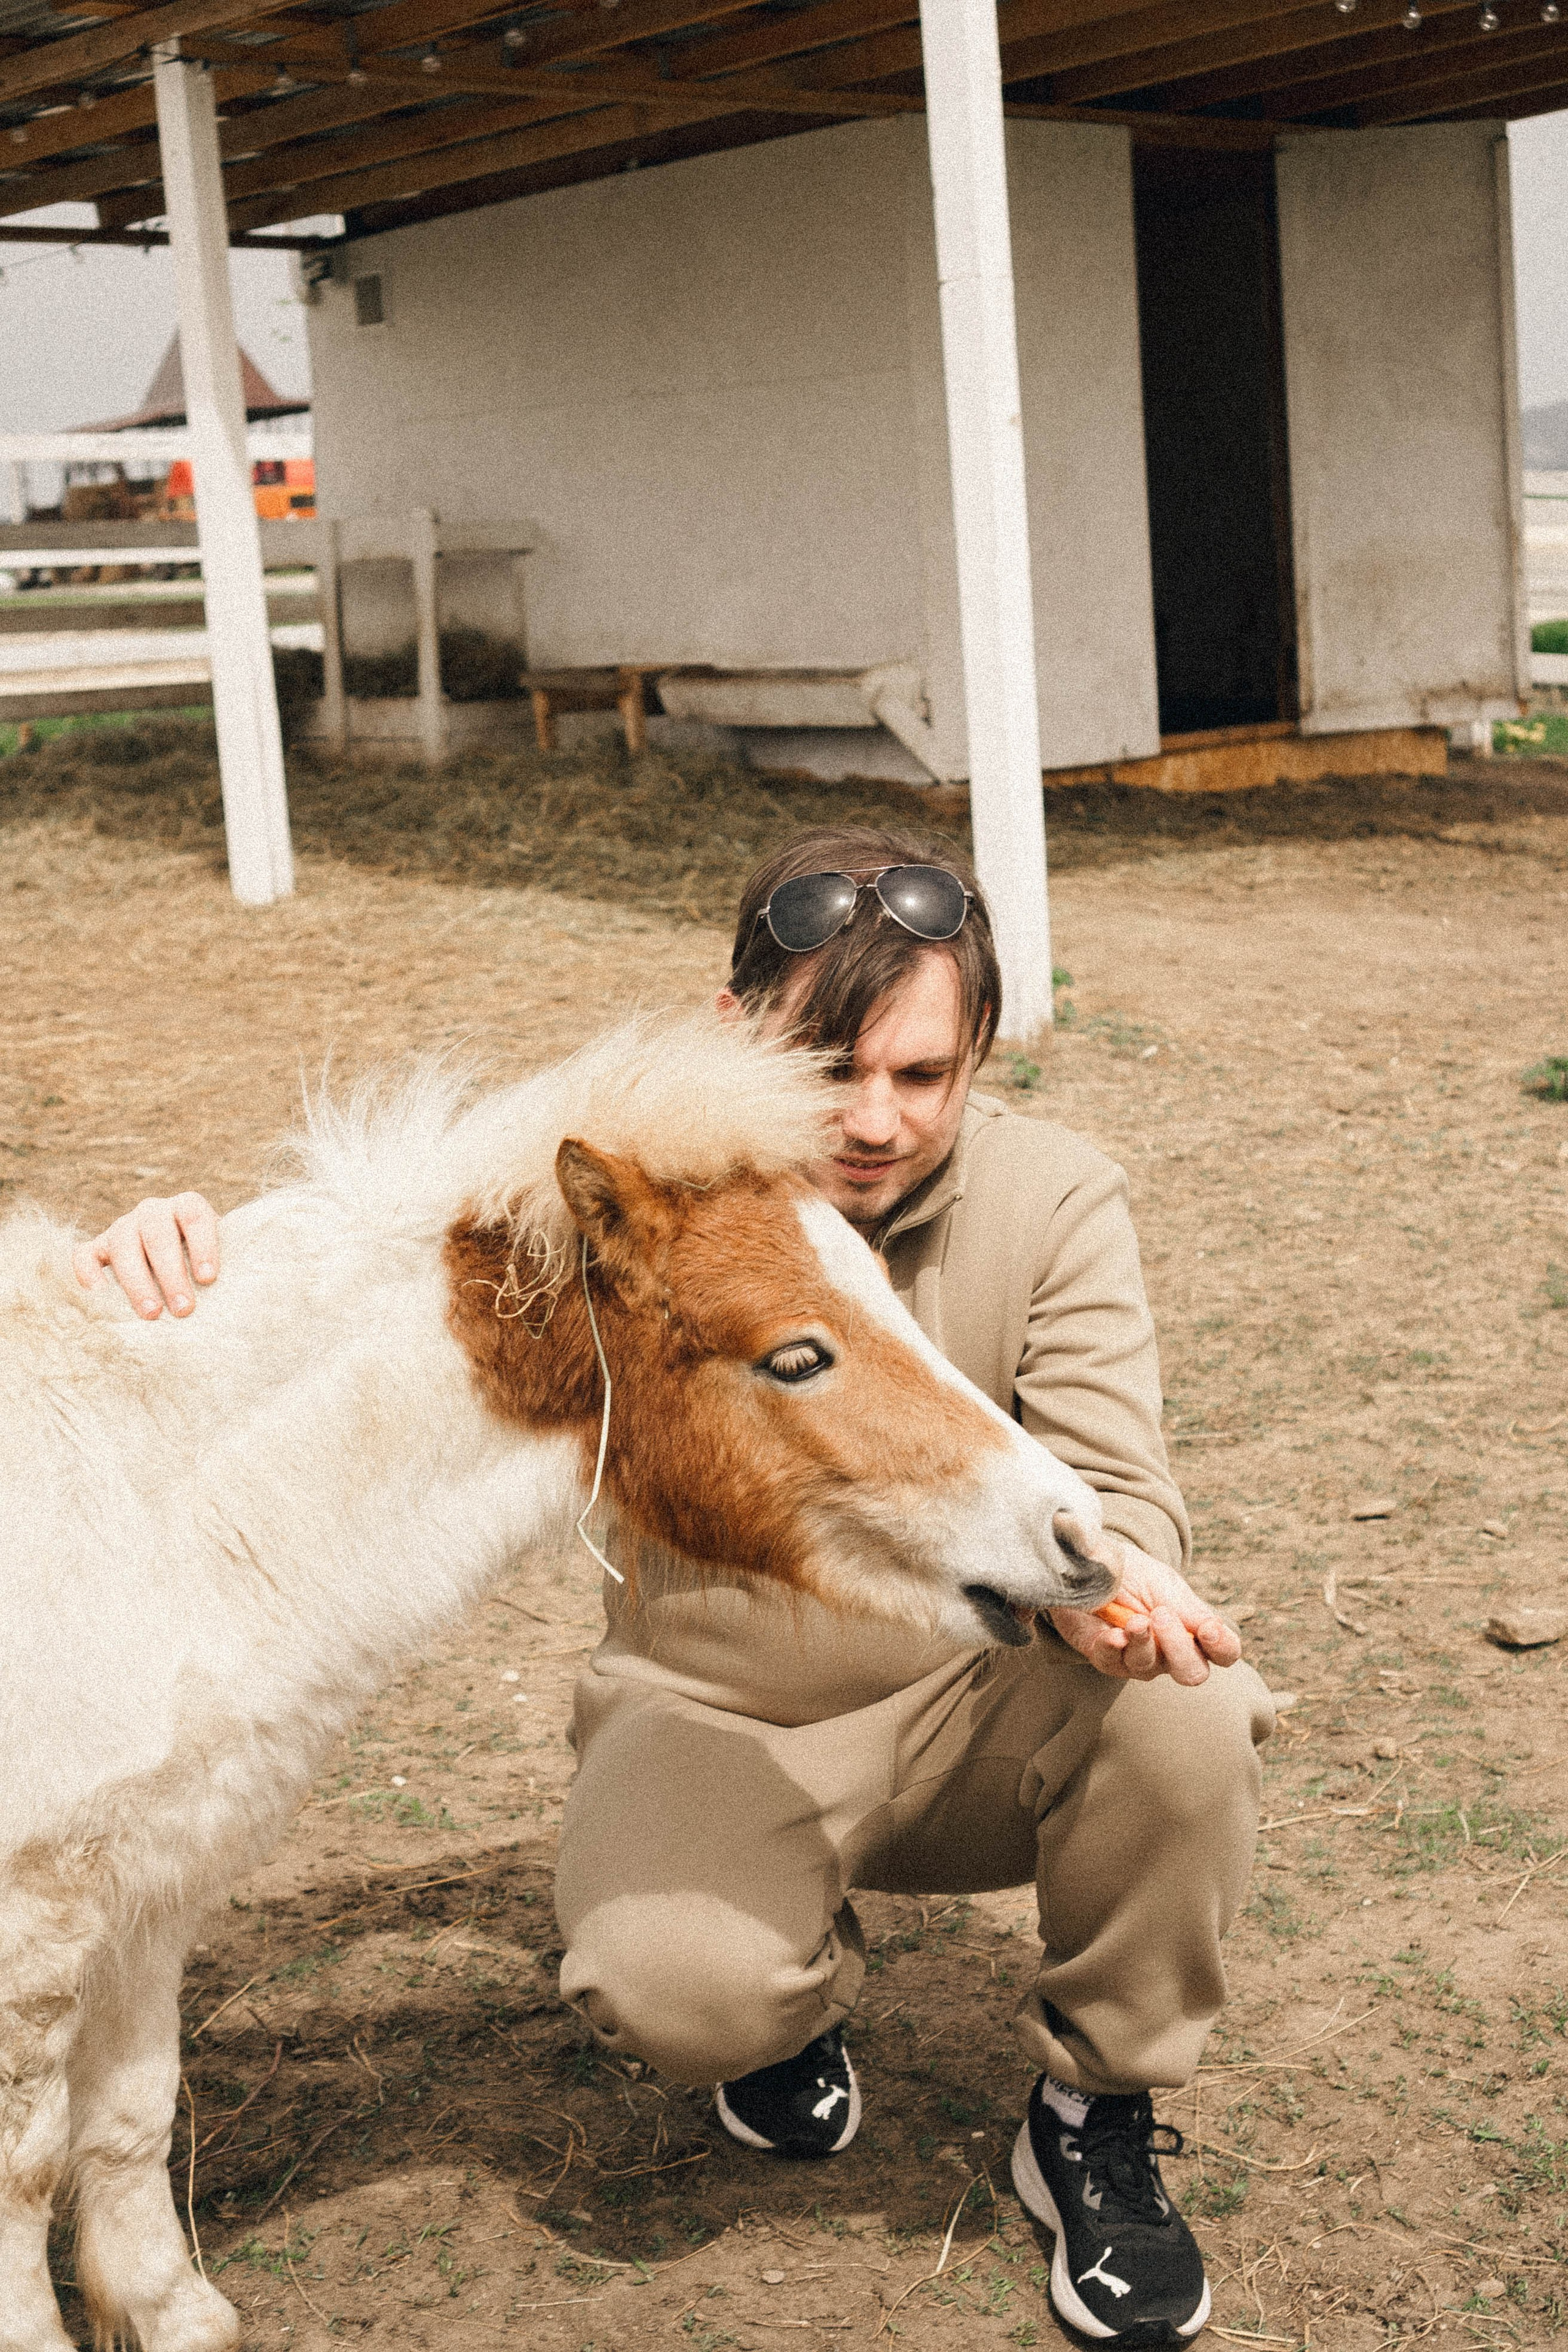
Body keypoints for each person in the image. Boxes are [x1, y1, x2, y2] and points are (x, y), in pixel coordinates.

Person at [79, 823, 1270, 2348]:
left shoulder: (1053, 1198)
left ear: (981, 1053)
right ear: (735, 1034)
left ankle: (1093, 2112)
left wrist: (1124, 1580)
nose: (874, 1120)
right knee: (671, 1987)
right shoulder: (629, 1206)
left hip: (977, 1695)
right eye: (828, 1064)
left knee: (1191, 1707)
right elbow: (374, 1256)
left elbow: (1116, 1480)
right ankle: (779, 2007)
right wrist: (190, 1256)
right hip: (715, 1710)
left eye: (925, 1075)